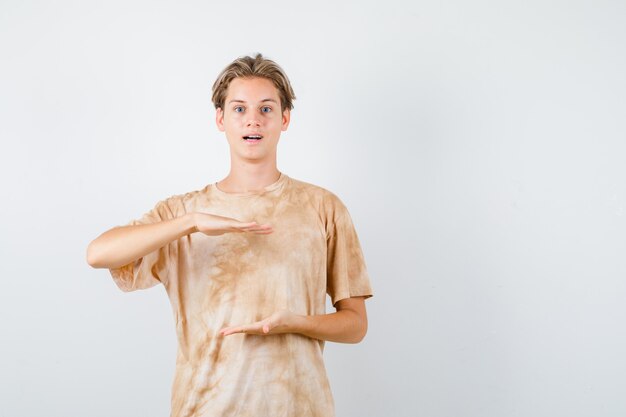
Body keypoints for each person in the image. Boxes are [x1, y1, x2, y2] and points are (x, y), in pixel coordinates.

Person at [86, 52, 374, 417]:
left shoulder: (323, 207)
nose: (253, 119)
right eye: (239, 109)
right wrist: (191, 223)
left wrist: (296, 323)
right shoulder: (183, 212)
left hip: (299, 407)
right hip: (205, 407)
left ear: (285, 118)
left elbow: (355, 324)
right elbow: (98, 254)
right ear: (220, 119)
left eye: (266, 109)